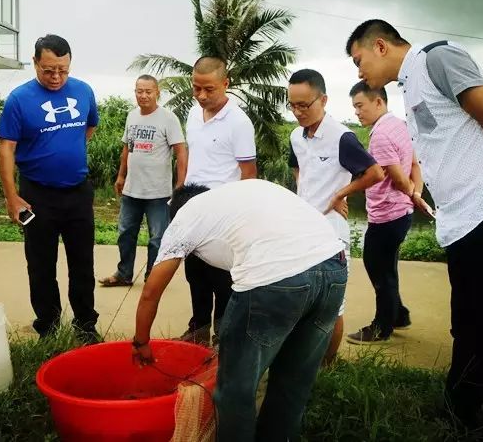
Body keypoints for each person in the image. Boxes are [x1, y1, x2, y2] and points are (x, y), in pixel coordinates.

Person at [346, 19, 483, 440]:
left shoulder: (438, 59)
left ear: (379, 46)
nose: (359, 72)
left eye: (358, 60)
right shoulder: (409, 87)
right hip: (463, 223)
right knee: (467, 326)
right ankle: (461, 411)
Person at [132, 179, 346, 442]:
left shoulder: (185, 216)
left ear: (174, 211)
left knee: (235, 391)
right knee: (292, 386)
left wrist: (141, 341)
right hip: (334, 266)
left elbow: (151, 291)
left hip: (276, 279)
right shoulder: (239, 195)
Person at [0, 34, 100, 342]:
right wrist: (11, 196)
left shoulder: (83, 91)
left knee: (83, 263)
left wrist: (63, 152)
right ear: (35, 63)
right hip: (37, 195)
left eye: (63, 70)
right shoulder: (19, 99)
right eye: (48, 70)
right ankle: (49, 326)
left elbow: (90, 126)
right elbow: (6, 148)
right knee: (41, 265)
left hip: (78, 192)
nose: (56, 77)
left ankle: (85, 325)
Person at [287, 69, 384, 362]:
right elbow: (297, 166)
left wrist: (341, 193)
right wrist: (303, 192)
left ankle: (327, 367)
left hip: (332, 232)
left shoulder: (342, 137)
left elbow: (374, 173)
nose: (298, 112)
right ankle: (303, 360)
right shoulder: (296, 135)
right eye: (292, 105)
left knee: (332, 305)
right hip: (304, 229)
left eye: (304, 105)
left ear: (323, 99)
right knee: (301, 297)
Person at [180, 56, 257, 344]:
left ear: (225, 84)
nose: (201, 96)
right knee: (195, 274)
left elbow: (249, 174)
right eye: (196, 88)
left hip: (224, 216)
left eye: (209, 89)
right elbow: (195, 158)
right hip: (193, 209)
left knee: (222, 279)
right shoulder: (192, 113)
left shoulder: (239, 123)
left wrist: (242, 219)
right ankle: (197, 328)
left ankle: (222, 337)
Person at [347, 81, 429, 344]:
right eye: (354, 107)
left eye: (360, 105)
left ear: (379, 102)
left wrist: (411, 192)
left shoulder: (381, 134)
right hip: (401, 214)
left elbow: (398, 178)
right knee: (387, 268)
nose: (357, 112)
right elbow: (415, 166)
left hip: (387, 215)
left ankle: (382, 327)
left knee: (379, 270)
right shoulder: (400, 126)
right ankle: (399, 315)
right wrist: (416, 194)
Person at [99, 75, 187, 287]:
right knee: (125, 234)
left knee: (157, 239)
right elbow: (127, 148)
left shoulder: (168, 118)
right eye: (139, 91)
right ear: (135, 92)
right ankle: (123, 274)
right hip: (132, 191)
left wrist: (180, 187)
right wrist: (121, 176)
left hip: (158, 193)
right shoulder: (132, 116)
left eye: (148, 91)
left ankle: (152, 279)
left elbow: (181, 153)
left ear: (157, 92)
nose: (143, 96)